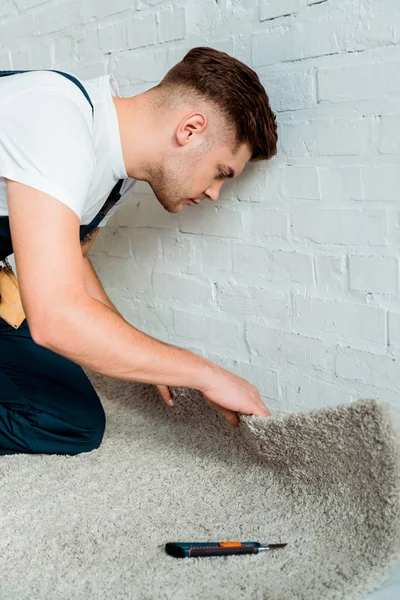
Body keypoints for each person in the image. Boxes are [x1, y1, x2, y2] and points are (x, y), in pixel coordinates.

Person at [0, 46, 278, 456]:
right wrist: (203, 373)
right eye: (221, 172)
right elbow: (55, 318)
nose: (215, 193)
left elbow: (71, 259)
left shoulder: (118, 174)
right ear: (190, 129)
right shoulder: (55, 117)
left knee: (69, 421)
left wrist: (140, 355)